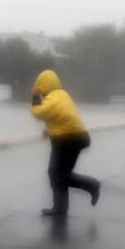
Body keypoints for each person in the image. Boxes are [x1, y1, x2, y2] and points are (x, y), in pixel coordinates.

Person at [30, 69, 101, 217]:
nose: (40, 91)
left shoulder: (52, 99)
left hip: (67, 140)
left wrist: (35, 97)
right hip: (75, 138)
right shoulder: (62, 95)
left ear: (43, 85)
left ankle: (91, 185)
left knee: (57, 174)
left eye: (39, 87)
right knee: (60, 174)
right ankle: (61, 209)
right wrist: (49, 130)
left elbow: (39, 112)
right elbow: (63, 117)